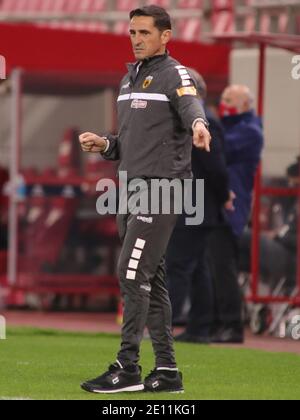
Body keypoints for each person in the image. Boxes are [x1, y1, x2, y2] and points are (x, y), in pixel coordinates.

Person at [79, 5, 211, 394]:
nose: (136, 39)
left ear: (165, 36)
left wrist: (199, 125)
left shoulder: (175, 74)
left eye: (144, 33)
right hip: (130, 191)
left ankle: (127, 367)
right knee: (150, 279)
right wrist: (105, 144)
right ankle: (168, 371)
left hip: (162, 190)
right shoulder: (129, 81)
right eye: (132, 32)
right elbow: (129, 144)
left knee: (132, 273)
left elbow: (191, 104)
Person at [166, 70, 232, 343]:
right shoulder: (202, 120)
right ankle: (199, 327)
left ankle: (165, 327)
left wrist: (224, 193)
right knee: (197, 267)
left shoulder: (204, 123)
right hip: (197, 204)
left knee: (178, 265)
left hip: (195, 204)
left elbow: (215, 166)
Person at [210, 85, 263, 344]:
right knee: (212, 267)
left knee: (223, 267)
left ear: (245, 105)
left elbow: (218, 149)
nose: (223, 103)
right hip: (217, 203)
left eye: (229, 99)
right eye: (223, 98)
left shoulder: (249, 131)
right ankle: (218, 322)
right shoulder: (230, 128)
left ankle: (232, 325)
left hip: (231, 206)